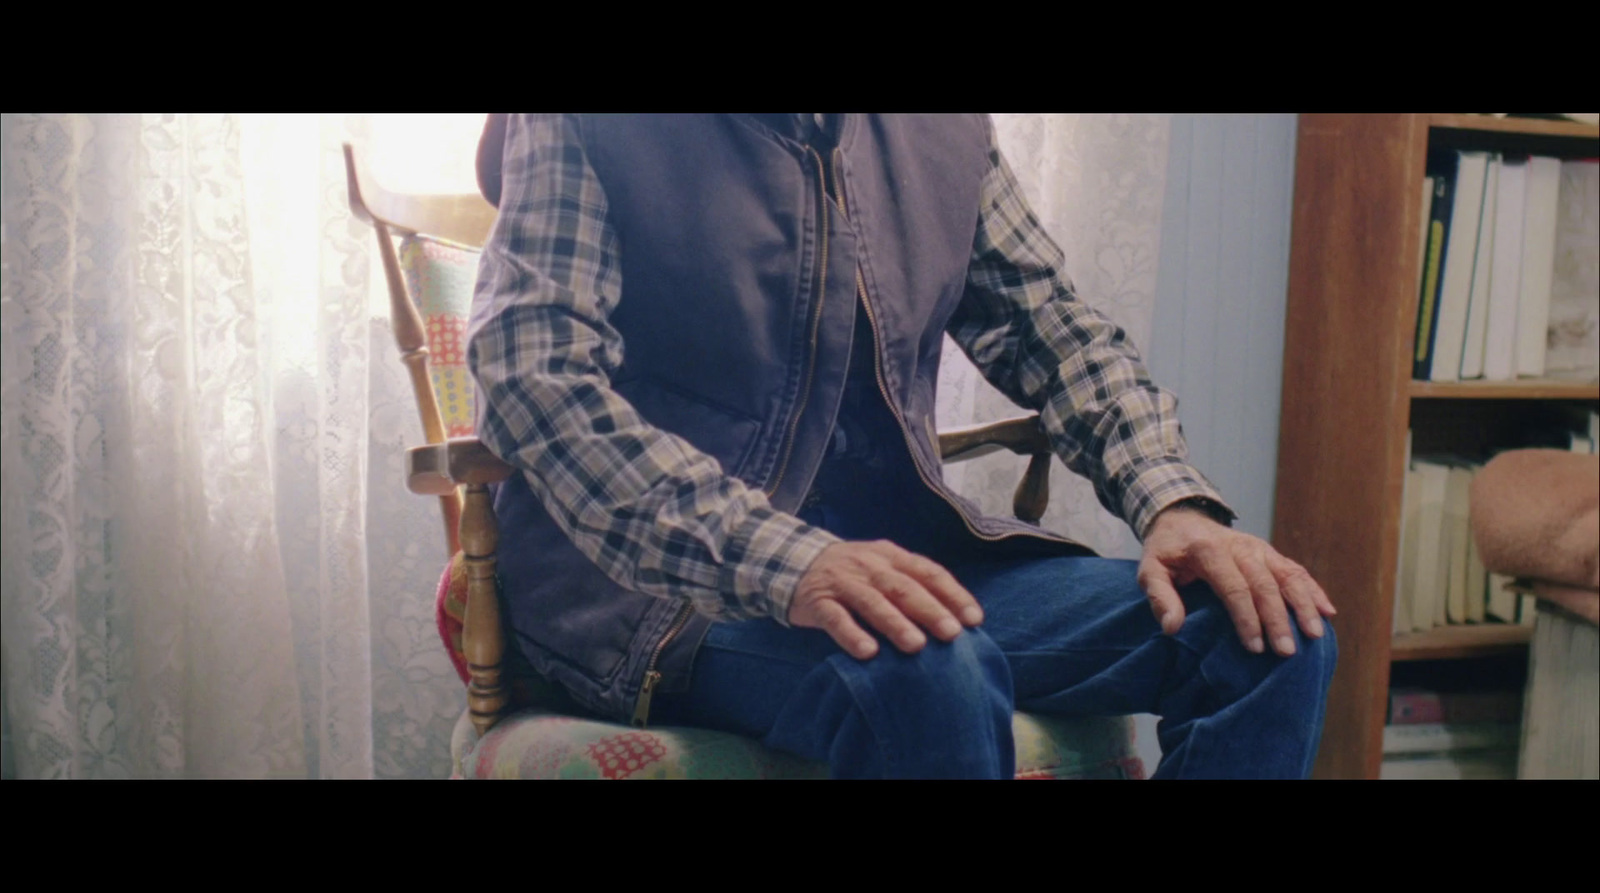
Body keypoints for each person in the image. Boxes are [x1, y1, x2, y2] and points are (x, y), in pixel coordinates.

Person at [467, 113, 1338, 779]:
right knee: (924, 663)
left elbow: (1055, 332)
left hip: (907, 565)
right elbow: (533, 378)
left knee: (1266, 628)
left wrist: (1173, 498)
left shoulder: (940, 127)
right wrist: (789, 560)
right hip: (657, 595)